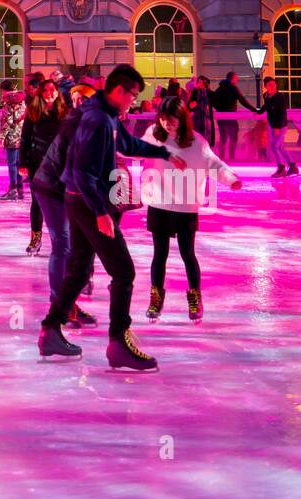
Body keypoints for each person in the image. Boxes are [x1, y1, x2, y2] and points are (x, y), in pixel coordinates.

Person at [38, 64, 182, 371]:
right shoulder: (98, 120)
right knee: (124, 271)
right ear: (119, 90)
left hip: (78, 200)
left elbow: (127, 145)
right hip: (88, 202)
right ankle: (119, 343)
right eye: (132, 95)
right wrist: (102, 212)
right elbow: (81, 171)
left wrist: (164, 154)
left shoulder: (106, 116)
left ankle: (51, 329)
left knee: (78, 269)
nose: (133, 101)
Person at [140, 95, 242, 323]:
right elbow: (133, 149)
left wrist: (230, 178)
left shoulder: (197, 142)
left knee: (188, 253)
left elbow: (214, 164)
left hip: (185, 207)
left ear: (182, 117)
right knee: (160, 255)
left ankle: (195, 299)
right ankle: (156, 299)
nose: (167, 123)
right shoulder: (153, 135)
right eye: (163, 118)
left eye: (172, 118)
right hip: (160, 203)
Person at [31, 84, 98, 328]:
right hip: (51, 188)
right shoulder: (80, 122)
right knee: (62, 246)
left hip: (61, 189)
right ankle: (60, 305)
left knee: (72, 248)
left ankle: (67, 302)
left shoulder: (87, 121)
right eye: (76, 98)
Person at [20, 80, 66, 255]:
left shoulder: (63, 112)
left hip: (59, 164)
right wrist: (23, 162)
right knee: (37, 201)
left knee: (60, 201)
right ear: (40, 93)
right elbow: (25, 138)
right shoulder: (34, 112)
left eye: (52, 90)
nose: (49, 93)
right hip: (37, 163)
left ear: (57, 92)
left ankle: (60, 238)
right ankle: (36, 238)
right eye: (45, 90)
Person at [211, 72, 258, 163]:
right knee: (233, 137)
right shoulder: (233, 88)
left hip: (221, 117)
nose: (237, 80)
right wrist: (253, 109)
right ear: (232, 78)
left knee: (223, 137)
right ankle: (231, 157)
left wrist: (220, 109)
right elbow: (242, 100)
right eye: (236, 78)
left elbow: (213, 101)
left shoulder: (219, 89)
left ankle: (221, 157)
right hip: (231, 116)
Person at [0, 82, 26, 201]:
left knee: (12, 164)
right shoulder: (21, 101)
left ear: (4, 90)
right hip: (21, 135)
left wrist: (1, 138)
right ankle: (20, 189)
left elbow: (7, 122)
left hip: (11, 137)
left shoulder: (9, 102)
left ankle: (13, 189)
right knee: (19, 164)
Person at [187, 75, 215, 147]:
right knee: (197, 138)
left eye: (201, 82)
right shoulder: (195, 92)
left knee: (206, 138)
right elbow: (189, 106)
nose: (200, 84)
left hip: (206, 119)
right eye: (199, 82)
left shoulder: (209, 93)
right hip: (197, 119)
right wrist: (191, 105)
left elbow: (216, 101)